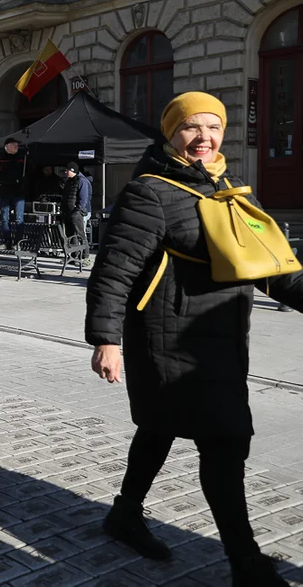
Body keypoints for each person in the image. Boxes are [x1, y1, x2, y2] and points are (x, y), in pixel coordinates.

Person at [86, 92, 303, 586]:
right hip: (168, 340)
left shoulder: (229, 191)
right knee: (225, 441)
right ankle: (246, 564)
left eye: (213, 128)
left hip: (222, 340)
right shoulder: (149, 192)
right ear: (171, 133)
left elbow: (272, 270)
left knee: (159, 428)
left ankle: (124, 514)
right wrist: (106, 339)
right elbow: (113, 273)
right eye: (191, 128)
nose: (204, 138)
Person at [0, 137, 26, 244]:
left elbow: (28, 172)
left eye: (17, 144)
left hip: (19, 193)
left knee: (19, 219)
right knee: (5, 218)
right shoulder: (1, 160)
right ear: (7, 146)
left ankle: (18, 242)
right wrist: (12, 180)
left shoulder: (22, 159)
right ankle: (7, 241)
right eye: (13, 144)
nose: (16, 146)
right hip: (5, 192)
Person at [62, 162, 92, 246]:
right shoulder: (69, 181)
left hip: (78, 212)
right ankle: (74, 254)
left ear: (72, 170)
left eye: (66, 170)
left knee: (80, 234)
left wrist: (77, 211)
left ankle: (84, 255)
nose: (65, 172)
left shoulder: (82, 181)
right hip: (68, 211)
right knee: (71, 235)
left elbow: (83, 199)